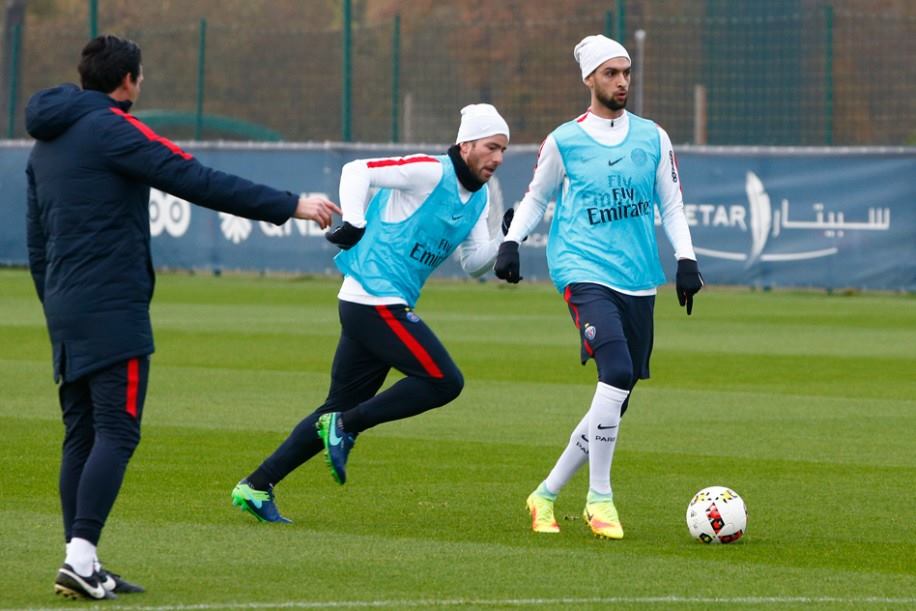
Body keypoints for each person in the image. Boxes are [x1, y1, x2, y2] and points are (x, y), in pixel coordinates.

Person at [25, 35, 340, 600]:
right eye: (140, 78)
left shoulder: (43, 144)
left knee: (82, 434)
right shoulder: (114, 128)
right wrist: (290, 204)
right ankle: (79, 555)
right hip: (112, 305)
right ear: (128, 81)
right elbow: (193, 177)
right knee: (116, 431)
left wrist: (55, 303)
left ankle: (84, 560)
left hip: (65, 304)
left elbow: (35, 240)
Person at [231, 104, 510, 523]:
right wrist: (356, 222)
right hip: (372, 298)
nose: (498, 158)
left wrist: (507, 236)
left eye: (503, 150)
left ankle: (256, 485)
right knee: (444, 381)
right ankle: (347, 426)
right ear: (466, 143)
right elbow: (356, 169)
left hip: (377, 302)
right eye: (492, 147)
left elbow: (473, 263)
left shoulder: (481, 196)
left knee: (336, 405)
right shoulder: (429, 171)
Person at [495, 35, 704, 540]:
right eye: (611, 73)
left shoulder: (654, 137)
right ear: (589, 78)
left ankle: (545, 494)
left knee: (615, 397)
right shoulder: (564, 140)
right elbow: (535, 198)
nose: (621, 82)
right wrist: (511, 241)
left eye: (626, 73)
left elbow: (671, 205)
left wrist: (686, 259)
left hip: (638, 279)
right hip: (582, 271)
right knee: (616, 369)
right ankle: (600, 498)